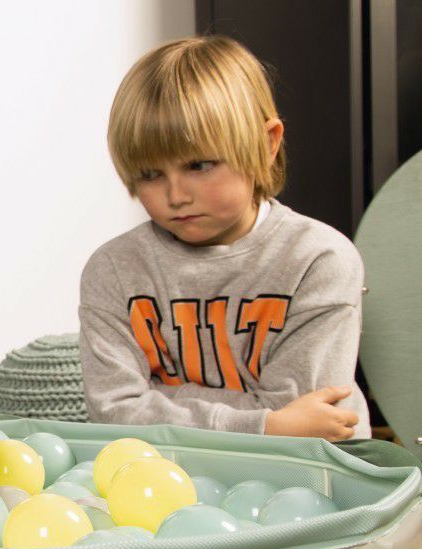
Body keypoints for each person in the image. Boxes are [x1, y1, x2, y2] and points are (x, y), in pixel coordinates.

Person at [78, 35, 370, 442]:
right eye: (150, 174)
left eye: (199, 165)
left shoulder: (319, 259)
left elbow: (306, 421)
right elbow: (112, 413)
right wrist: (265, 423)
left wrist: (159, 400)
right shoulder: (112, 269)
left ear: (267, 144)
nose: (176, 196)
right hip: (170, 470)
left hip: (311, 470)